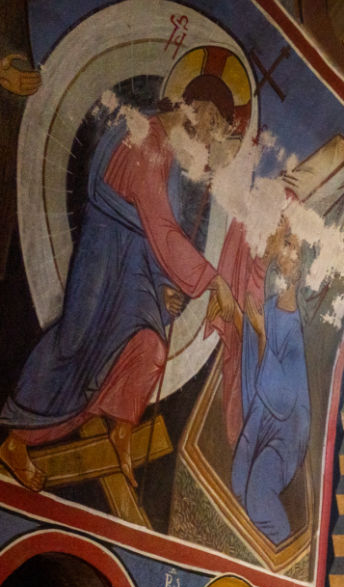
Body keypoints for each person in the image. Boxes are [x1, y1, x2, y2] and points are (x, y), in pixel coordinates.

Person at [0, 71, 256, 491]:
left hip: (138, 269)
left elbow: (158, 236)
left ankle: (120, 428)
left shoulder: (171, 157)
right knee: (75, 342)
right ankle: (16, 441)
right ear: (203, 110)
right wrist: (214, 282)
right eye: (215, 128)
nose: (210, 141)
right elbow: (161, 227)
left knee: (150, 347)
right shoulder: (143, 139)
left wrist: (164, 285)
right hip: (105, 255)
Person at [226, 221, 313, 544]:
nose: (288, 254)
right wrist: (232, 306)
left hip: (288, 430)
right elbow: (251, 349)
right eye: (287, 244)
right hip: (264, 419)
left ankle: (282, 547)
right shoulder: (268, 309)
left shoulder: (297, 325)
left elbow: (286, 395)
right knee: (239, 481)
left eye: (297, 250)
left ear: (304, 266)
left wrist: (262, 333)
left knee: (259, 496)